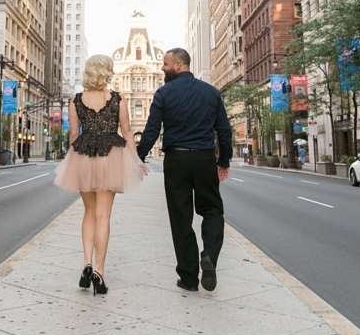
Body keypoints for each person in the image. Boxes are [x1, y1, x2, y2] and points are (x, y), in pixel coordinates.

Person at [137, 48, 232, 293]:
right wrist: (224, 161)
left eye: (165, 64)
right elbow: (224, 130)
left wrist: (138, 157)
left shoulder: (164, 93)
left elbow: (152, 130)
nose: (162, 68)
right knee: (212, 210)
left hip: (176, 160)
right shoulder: (211, 92)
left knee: (181, 218)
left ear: (178, 65)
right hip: (204, 159)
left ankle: (189, 277)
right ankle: (209, 255)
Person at [54, 54, 147, 295]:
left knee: (89, 213)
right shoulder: (117, 98)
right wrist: (136, 161)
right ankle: (99, 271)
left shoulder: (76, 100)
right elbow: (127, 131)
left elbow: (73, 135)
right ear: (106, 71)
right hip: (110, 155)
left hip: (83, 154)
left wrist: (71, 159)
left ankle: (85, 263)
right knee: (103, 216)